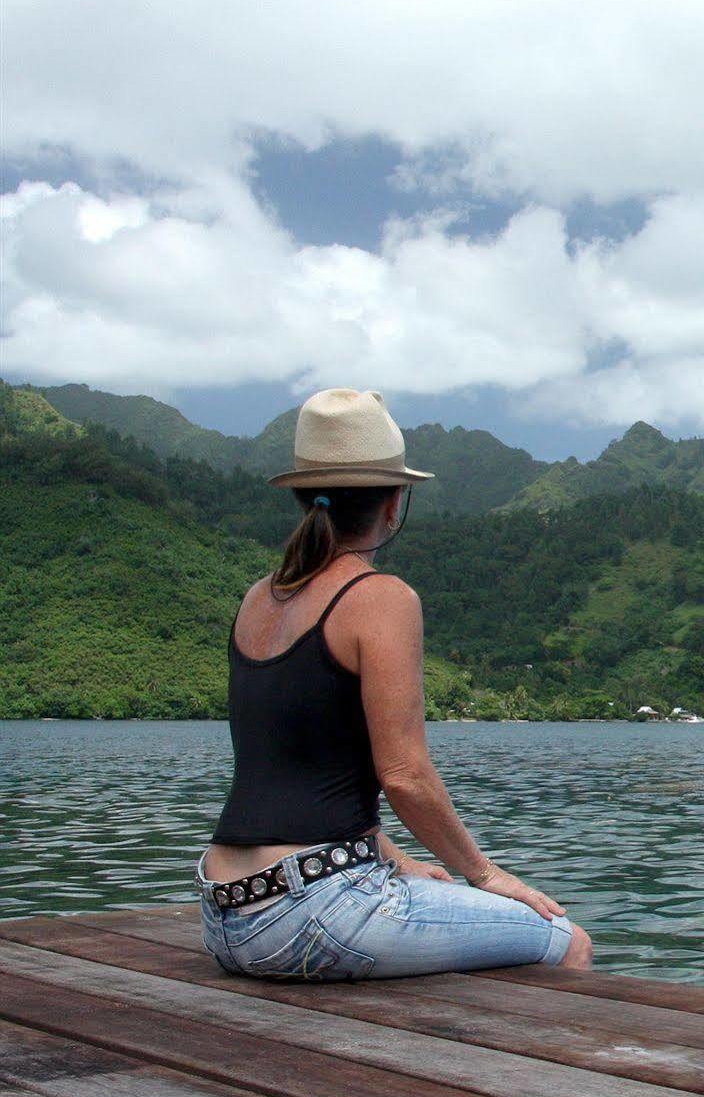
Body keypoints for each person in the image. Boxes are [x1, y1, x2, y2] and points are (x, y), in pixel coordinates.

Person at [198, 388, 591, 980]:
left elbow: (296, 766)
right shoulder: (380, 598)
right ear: (394, 504)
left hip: (226, 915)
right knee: (566, 941)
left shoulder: (258, 597)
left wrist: (397, 857)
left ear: (305, 496)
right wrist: (485, 875)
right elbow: (404, 776)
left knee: (441, 909)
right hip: (312, 913)